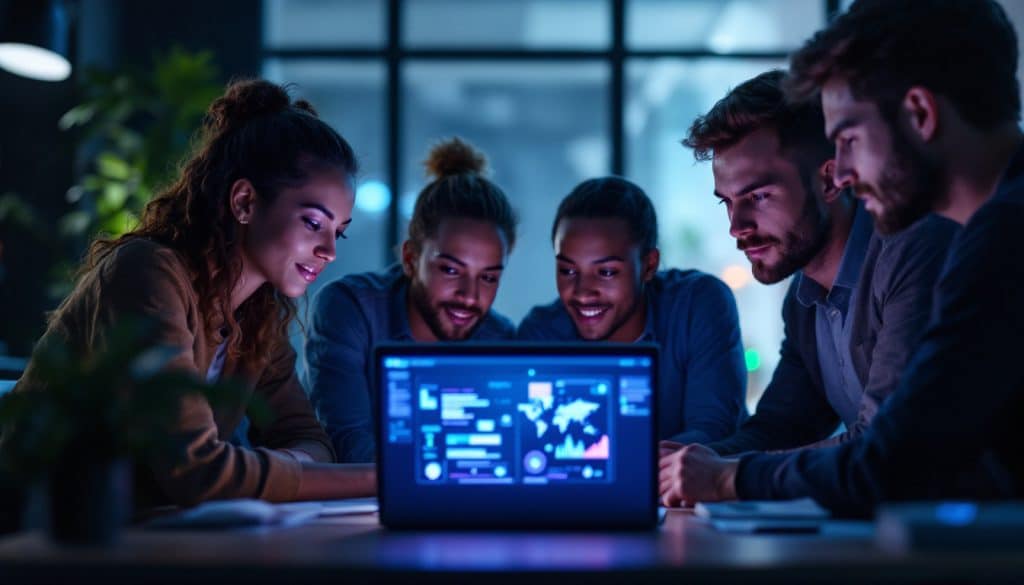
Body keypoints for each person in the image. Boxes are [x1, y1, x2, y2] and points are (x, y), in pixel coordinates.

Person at [659, 0, 1024, 517]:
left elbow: (891, 460)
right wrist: (702, 464)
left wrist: (729, 476)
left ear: (920, 114)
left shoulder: (990, 240)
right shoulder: (991, 230)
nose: (844, 173)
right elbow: (799, 428)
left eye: (849, 139)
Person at [8, 79, 375, 508]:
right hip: (35, 531)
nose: (329, 251)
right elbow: (196, 472)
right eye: (314, 223)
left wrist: (268, 468)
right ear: (244, 202)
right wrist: (375, 478)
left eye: (339, 234)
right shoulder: (148, 273)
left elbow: (309, 439)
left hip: (142, 533)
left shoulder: (257, 317)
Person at [659, 70, 956, 496]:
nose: (736, 227)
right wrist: (681, 462)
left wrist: (727, 475)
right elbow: (782, 428)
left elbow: (880, 448)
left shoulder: (913, 254)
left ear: (831, 179)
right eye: (727, 202)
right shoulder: (802, 301)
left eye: (758, 197)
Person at [306, 138, 518, 462]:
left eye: (488, 277)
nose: (470, 296)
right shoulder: (350, 310)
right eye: (450, 269)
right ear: (410, 258)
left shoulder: (499, 339)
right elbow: (350, 445)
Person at [518, 177, 745, 444]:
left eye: (606, 272)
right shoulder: (543, 332)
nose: (581, 291)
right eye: (568, 270)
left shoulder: (697, 304)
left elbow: (711, 436)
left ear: (649, 266)